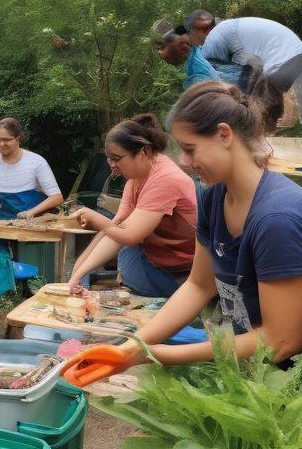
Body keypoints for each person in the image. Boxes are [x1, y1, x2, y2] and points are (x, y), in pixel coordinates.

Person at [114, 82, 302, 368]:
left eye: (190, 149)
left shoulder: (275, 219)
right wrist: (132, 346)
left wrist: (159, 355)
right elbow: (199, 286)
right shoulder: (214, 195)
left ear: (224, 134)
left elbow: (280, 341)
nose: (184, 161)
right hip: (252, 363)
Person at [68, 113, 197, 298]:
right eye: (108, 157)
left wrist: (94, 217)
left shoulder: (165, 179)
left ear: (144, 152)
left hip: (182, 271)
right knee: (124, 250)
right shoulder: (134, 180)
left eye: (117, 158)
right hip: (157, 259)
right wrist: (77, 273)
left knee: (128, 252)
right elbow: (114, 231)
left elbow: (128, 236)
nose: (111, 164)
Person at [202, 17, 302, 105]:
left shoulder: (219, 33)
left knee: (255, 102)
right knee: (268, 104)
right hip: (293, 52)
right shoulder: (234, 28)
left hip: (282, 59)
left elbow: (251, 65)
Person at [0, 117, 63, 219]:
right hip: (4, 221)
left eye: (6, 140)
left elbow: (57, 198)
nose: (1, 144)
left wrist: (31, 212)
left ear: (18, 138)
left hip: (36, 220)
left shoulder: (36, 161)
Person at [157, 30, 221, 89]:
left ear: (182, 50)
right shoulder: (195, 50)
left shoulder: (196, 75)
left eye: (163, 48)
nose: (159, 52)